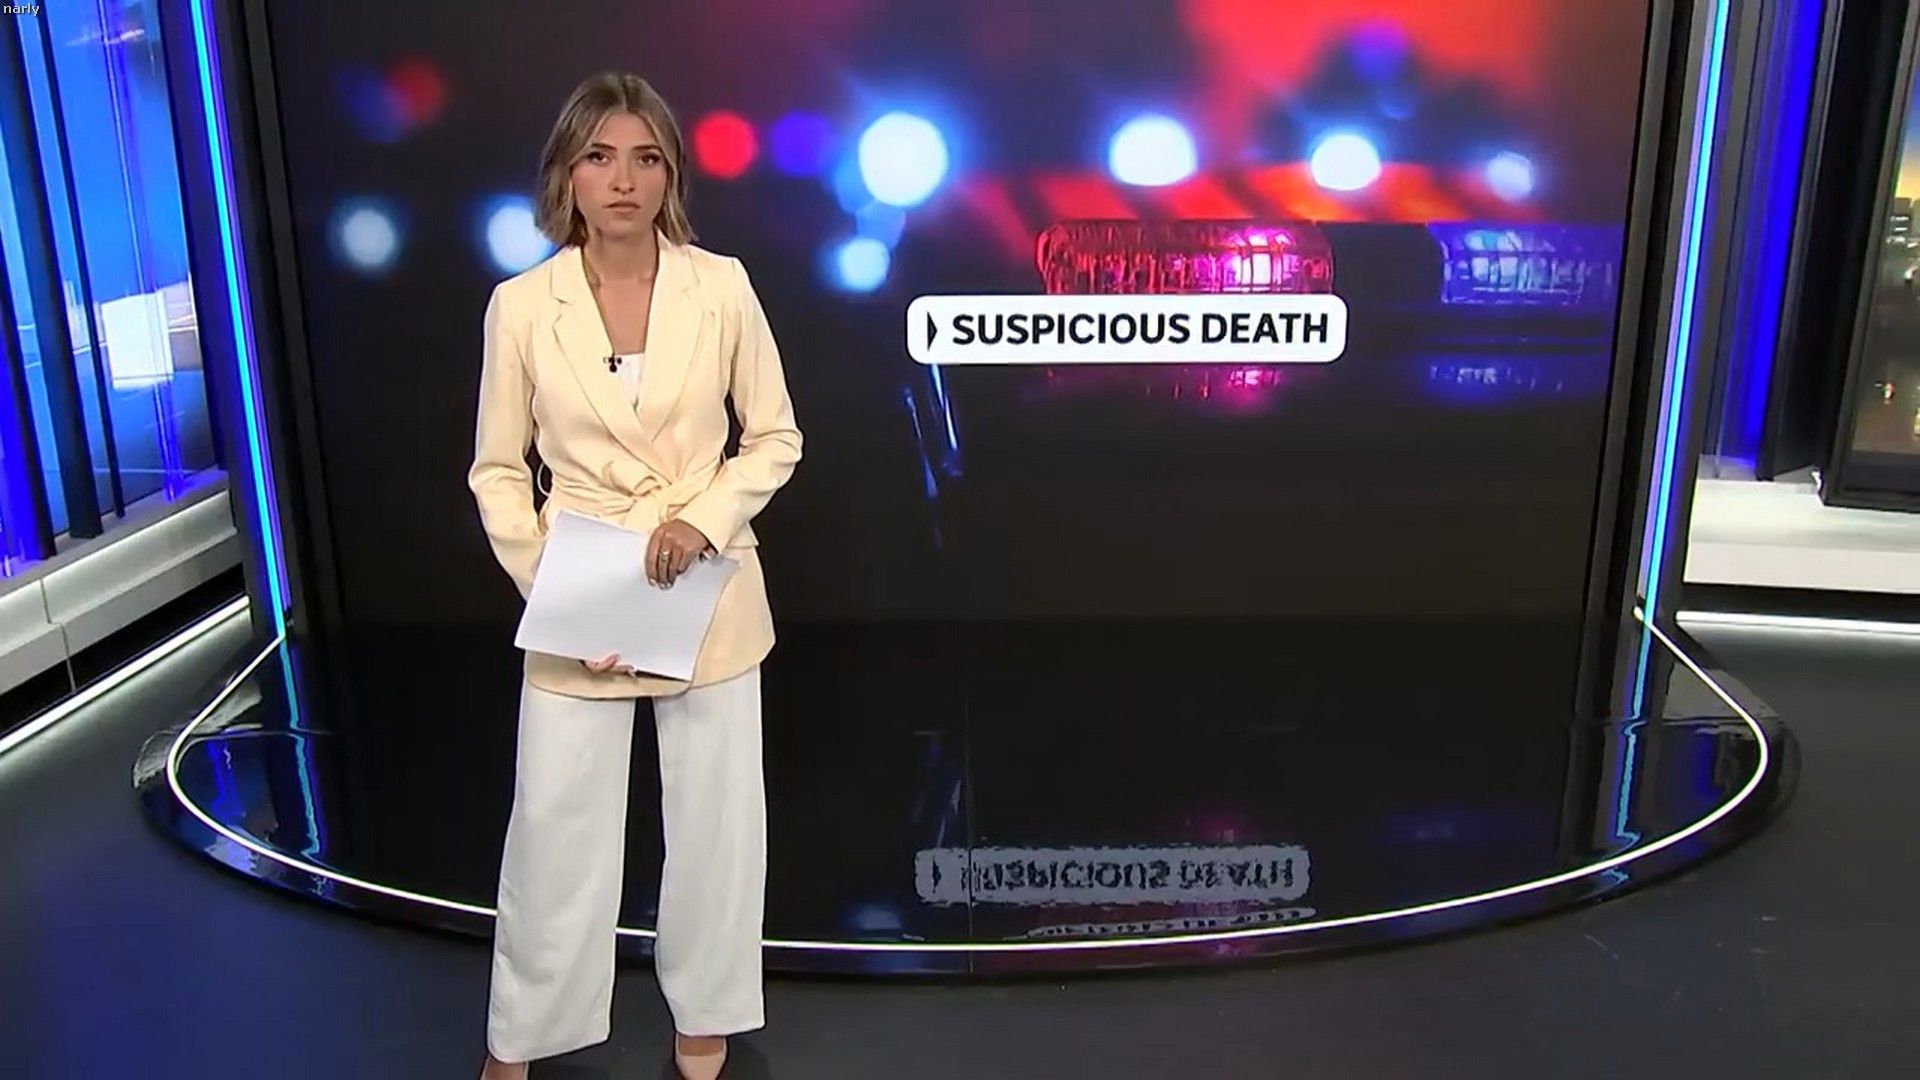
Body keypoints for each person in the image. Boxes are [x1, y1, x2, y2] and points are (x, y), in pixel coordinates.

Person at [467, 71, 802, 1080]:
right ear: (567, 175)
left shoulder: (722, 286)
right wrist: (557, 592)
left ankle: (707, 1015)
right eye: (600, 157)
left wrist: (704, 520)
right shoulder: (521, 306)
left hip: (708, 590)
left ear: (671, 175)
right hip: (580, 593)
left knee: (716, 829)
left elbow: (775, 437)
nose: (623, 180)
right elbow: (497, 472)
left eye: (646, 158)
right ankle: (522, 1037)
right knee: (555, 831)